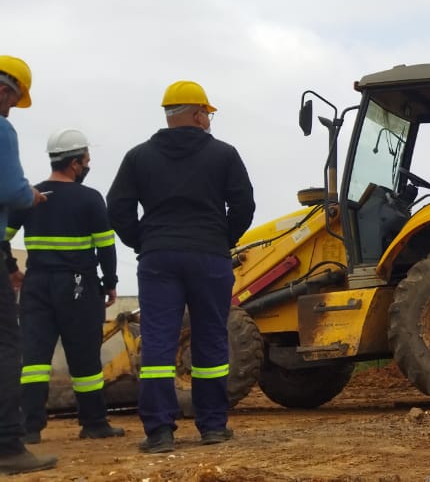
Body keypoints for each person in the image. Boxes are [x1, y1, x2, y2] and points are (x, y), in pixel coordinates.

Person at [107, 80, 255, 454]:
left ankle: (159, 433)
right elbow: (244, 206)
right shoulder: (224, 155)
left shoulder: (138, 156)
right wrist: (222, 239)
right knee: (210, 338)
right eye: (207, 113)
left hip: (159, 258)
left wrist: (145, 242)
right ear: (196, 113)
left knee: (158, 340)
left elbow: (117, 209)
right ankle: (213, 427)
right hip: (209, 257)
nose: (208, 120)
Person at [6, 129, 125, 444]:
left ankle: (29, 428)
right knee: (84, 358)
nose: (88, 165)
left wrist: (10, 268)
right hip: (78, 286)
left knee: (33, 359)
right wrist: (110, 283)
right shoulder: (90, 199)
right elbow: (106, 247)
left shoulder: (28, 197)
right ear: (75, 163)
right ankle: (94, 423)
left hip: (35, 286)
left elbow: (2, 236)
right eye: (86, 160)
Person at [0, 55, 57, 474]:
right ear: (5, 90)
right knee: (6, 346)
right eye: (14, 101)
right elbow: (13, 191)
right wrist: (30, 196)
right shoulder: (1, 128)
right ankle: (7, 446)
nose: (11, 110)